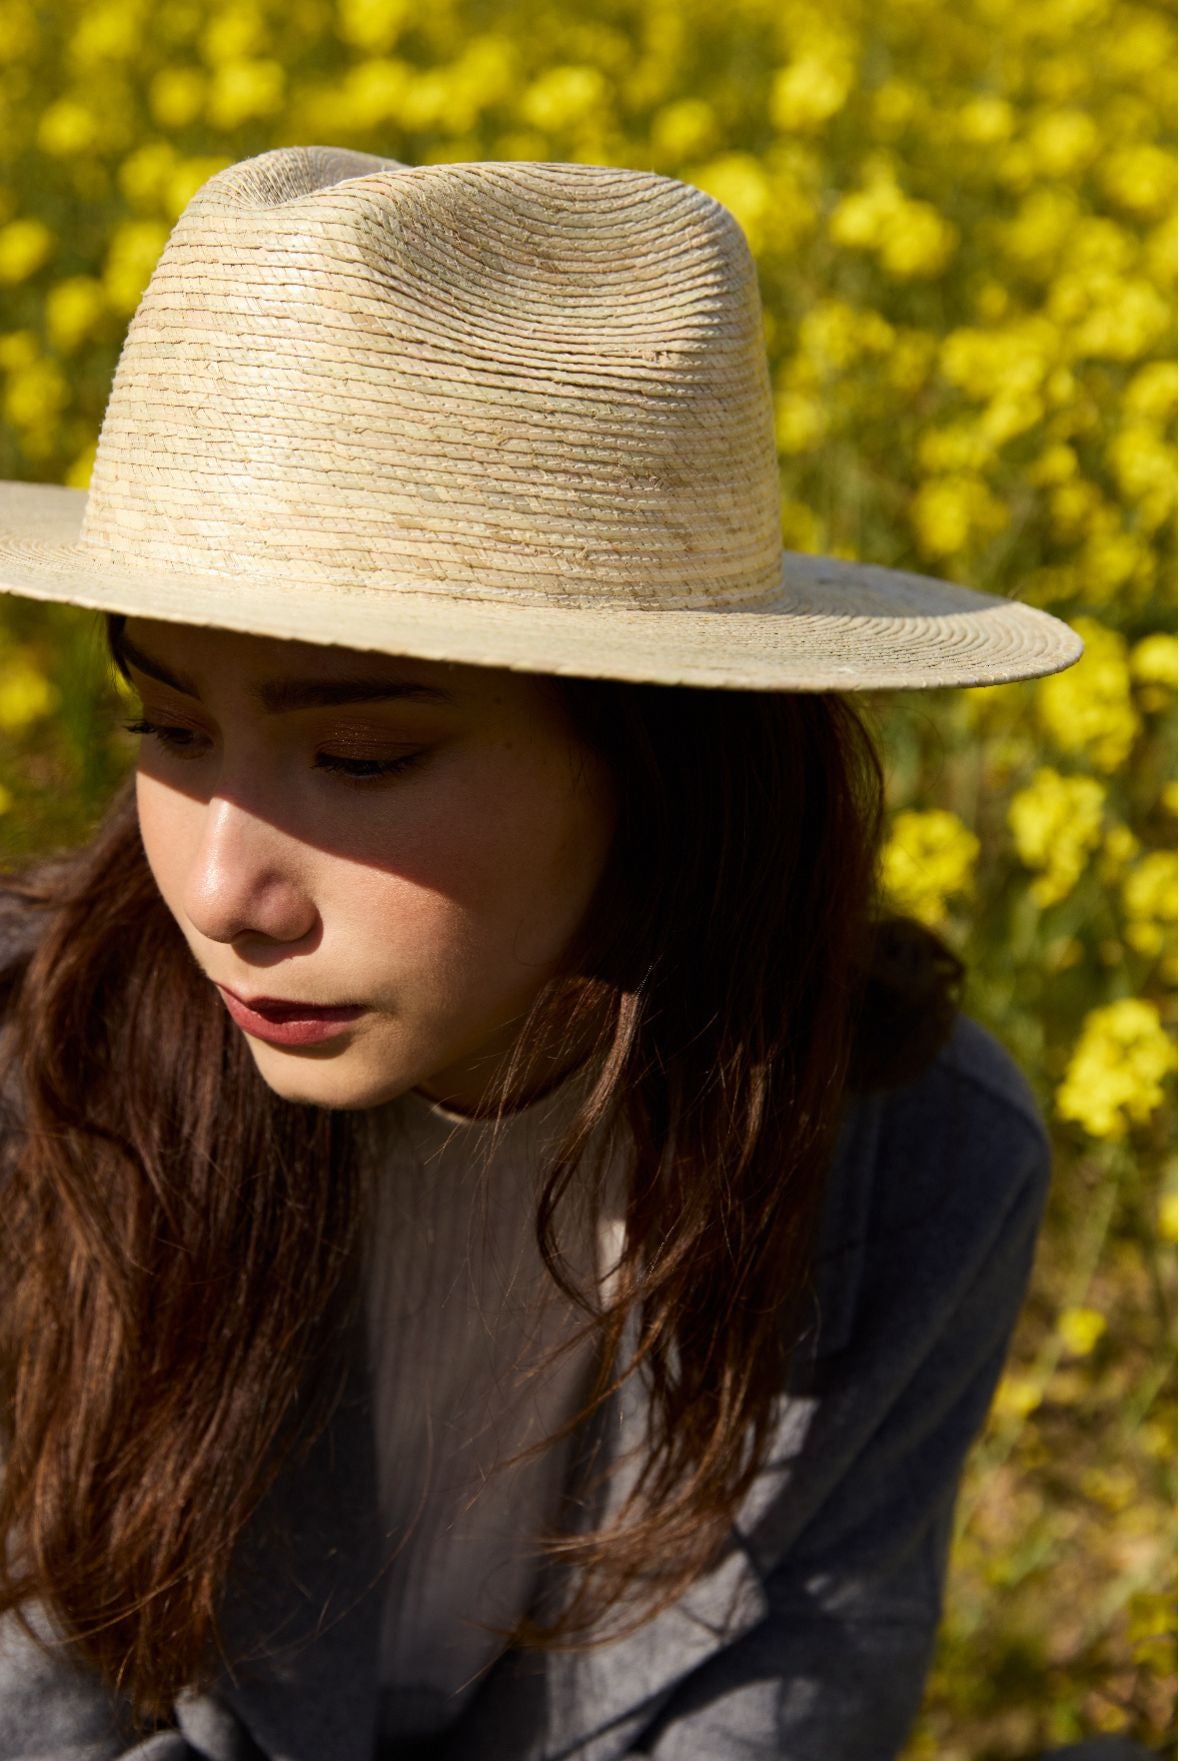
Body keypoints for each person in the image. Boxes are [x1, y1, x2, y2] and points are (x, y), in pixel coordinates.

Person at [0, 147, 1085, 1761]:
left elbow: (783, 1721)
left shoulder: (910, 1165)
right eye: (167, 726)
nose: (222, 886)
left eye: (361, 759)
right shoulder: (41, 1073)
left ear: (662, 768)